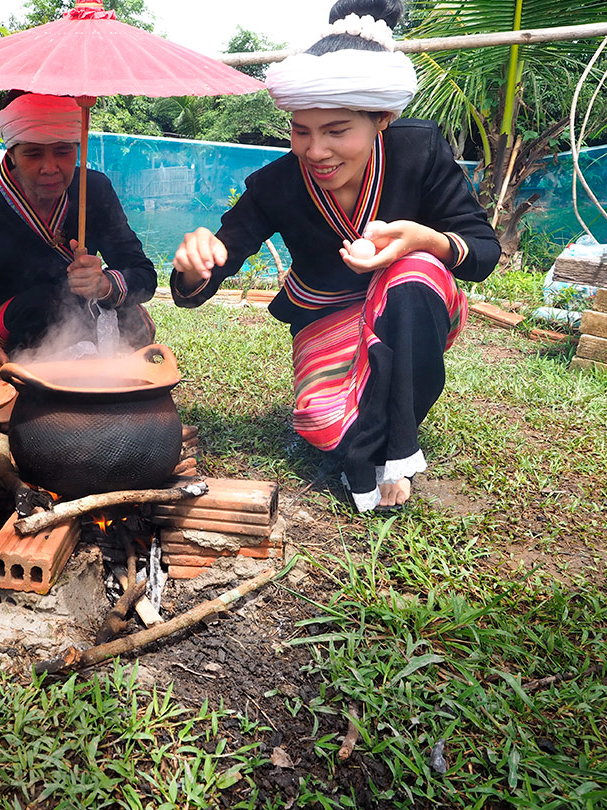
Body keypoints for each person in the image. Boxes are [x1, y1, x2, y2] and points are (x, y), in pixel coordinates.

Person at [171, 0, 500, 513]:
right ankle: (367, 428)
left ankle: (392, 453)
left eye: (337, 131)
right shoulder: (276, 184)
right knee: (323, 425)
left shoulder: (419, 152)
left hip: (415, 308)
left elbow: (483, 251)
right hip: (326, 317)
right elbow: (212, 268)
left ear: (382, 119)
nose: (315, 151)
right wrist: (195, 265)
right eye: (301, 130)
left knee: (413, 271)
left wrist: (425, 239)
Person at [0, 92, 158, 373]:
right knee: (41, 303)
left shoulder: (94, 190)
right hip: (6, 329)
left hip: (75, 318)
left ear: (77, 146)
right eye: (33, 154)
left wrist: (104, 284)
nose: (50, 168)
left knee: (131, 317)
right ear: (11, 153)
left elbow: (144, 275)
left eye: (63, 151)